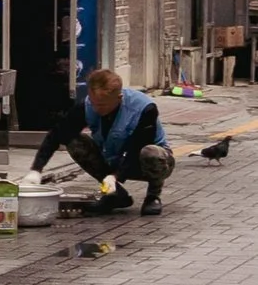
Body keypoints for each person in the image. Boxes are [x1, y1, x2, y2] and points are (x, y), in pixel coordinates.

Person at [23, 66, 174, 216]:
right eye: (94, 103)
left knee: (150, 152)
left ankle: (153, 196)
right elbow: (58, 133)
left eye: (102, 105)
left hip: (148, 161)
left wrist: (116, 176)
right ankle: (116, 195)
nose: (96, 108)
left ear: (119, 98)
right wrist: (36, 169)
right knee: (74, 141)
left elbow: (136, 148)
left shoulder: (145, 108)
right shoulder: (88, 105)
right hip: (114, 157)